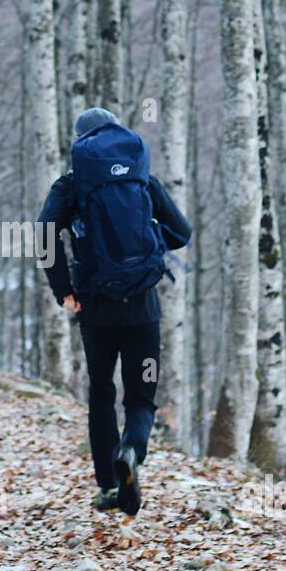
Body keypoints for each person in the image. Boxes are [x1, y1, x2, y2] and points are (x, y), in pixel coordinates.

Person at [37, 107, 191, 516]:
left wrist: (63, 291)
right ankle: (131, 451)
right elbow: (182, 233)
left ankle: (108, 485)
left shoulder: (72, 184)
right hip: (143, 307)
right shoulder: (142, 179)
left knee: (102, 393)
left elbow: (45, 234)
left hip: (96, 308)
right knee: (141, 396)